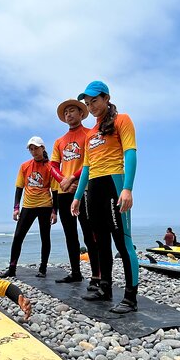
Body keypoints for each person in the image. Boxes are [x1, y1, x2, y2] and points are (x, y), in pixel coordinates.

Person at [71, 81, 140, 314]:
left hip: (114, 184)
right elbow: (87, 168)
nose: (91, 107)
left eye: (94, 101)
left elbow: (130, 153)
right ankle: (105, 288)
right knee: (101, 242)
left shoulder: (122, 120)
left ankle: (130, 298)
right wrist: (78, 197)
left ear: (106, 98)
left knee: (122, 241)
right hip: (94, 189)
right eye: (87, 103)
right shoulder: (90, 134)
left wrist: (127, 188)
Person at [49, 99, 101, 287]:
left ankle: (97, 276)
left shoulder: (89, 134)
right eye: (66, 113)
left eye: (73, 111)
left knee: (90, 233)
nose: (69, 114)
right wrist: (64, 180)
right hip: (64, 192)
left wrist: (72, 179)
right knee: (70, 234)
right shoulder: (59, 141)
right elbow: (53, 165)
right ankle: (76, 272)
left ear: (81, 114)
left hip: (85, 189)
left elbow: (92, 160)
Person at [0, 136, 58, 278]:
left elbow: (55, 191)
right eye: (31, 149)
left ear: (43, 148)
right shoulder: (24, 166)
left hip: (45, 205)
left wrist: (55, 211)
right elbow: (19, 188)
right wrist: (16, 208)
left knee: (45, 237)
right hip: (28, 206)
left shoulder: (50, 167)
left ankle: (43, 268)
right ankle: (12, 269)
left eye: (36, 148)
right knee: (18, 236)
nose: (33, 151)